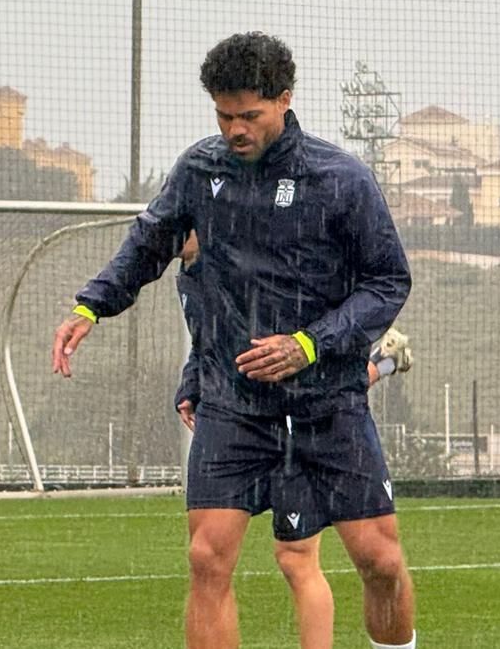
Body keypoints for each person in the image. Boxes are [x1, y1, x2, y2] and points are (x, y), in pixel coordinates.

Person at [52, 32, 416, 649]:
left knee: (379, 562)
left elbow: (388, 282)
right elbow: (149, 245)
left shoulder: (341, 178)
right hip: (234, 402)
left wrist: (310, 343)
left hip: (328, 402)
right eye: (224, 115)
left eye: (249, 115)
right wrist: (93, 304)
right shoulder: (199, 171)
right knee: (206, 558)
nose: (235, 129)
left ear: (284, 100)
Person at [173, 230, 412, 649]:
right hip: (241, 419)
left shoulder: (257, 250)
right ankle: (386, 361)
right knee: (212, 559)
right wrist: (193, 382)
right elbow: (208, 341)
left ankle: (383, 362)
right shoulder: (190, 273)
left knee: (307, 559)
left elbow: (305, 338)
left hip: (303, 417)